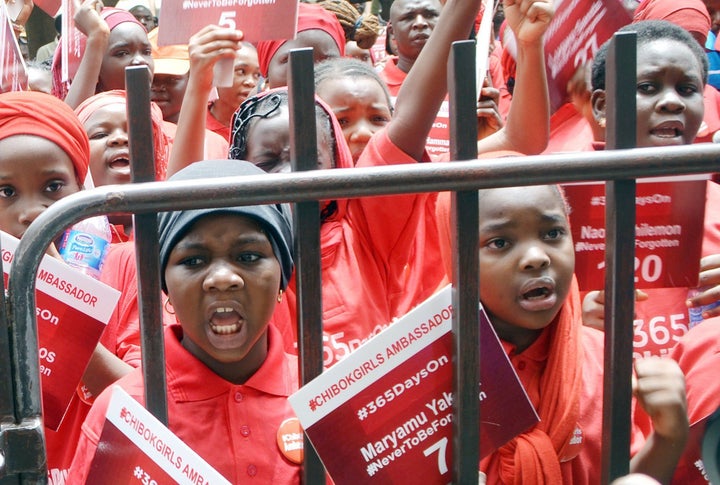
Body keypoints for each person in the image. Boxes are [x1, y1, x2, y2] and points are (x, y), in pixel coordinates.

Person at [168, 0, 551, 366]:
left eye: (308, 159)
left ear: (336, 159)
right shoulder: (237, 248)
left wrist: (462, 7)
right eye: (268, 162)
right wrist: (199, 86)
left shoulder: (366, 222)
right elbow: (180, 200)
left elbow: (413, 116)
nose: (289, 175)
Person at [435, 183, 689, 483]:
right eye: (500, 242)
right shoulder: (419, 377)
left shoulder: (603, 359)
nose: (536, 257)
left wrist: (668, 436)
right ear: (455, 256)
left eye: (553, 234)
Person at [67, 159, 300, 483]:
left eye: (248, 256)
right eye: (193, 260)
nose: (222, 278)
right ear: (166, 289)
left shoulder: (319, 393)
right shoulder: (126, 411)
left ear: (281, 278)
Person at [0, 90, 140, 483]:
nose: (31, 213)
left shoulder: (123, 264)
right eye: (6, 192)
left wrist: (58, 304)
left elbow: (148, 403)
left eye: (53, 188)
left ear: (81, 189)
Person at [582, 20, 720, 358]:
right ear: (602, 106)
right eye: (647, 87)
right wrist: (570, 324)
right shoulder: (560, 205)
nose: (672, 102)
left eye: (687, 89)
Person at [74, 89, 170, 241]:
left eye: (134, 131)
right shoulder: (61, 233)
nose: (120, 139)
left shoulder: (170, 226)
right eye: (100, 134)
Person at [52, 2, 154, 109]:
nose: (140, 60)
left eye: (146, 52)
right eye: (122, 53)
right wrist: (97, 35)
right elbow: (73, 122)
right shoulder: (85, 122)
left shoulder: (161, 118)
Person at [256, 2, 346, 89]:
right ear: (266, 73)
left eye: (326, 63)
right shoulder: (250, 104)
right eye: (295, 59)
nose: (312, 75)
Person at [206, 42, 260, 141]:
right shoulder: (196, 124)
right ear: (216, 74)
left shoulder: (261, 127)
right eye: (241, 71)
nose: (251, 82)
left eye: (257, 75)